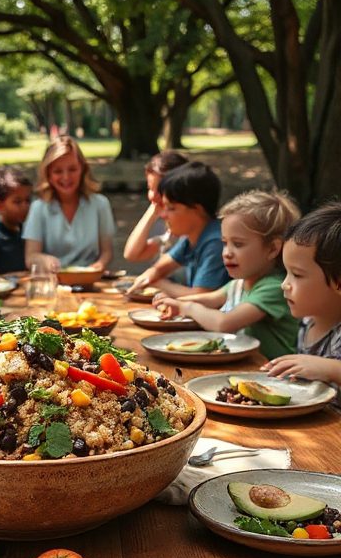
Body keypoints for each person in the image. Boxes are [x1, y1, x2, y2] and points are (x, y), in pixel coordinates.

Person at [156, 190, 301, 359]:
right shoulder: (240, 283)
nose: (227, 253)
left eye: (238, 244)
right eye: (225, 243)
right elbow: (210, 299)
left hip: (272, 379)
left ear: (272, 249)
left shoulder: (274, 288)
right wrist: (173, 302)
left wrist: (185, 307)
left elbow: (224, 323)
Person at [263, 203, 341, 403]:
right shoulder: (308, 322)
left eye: (296, 275)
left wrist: (330, 369)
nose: (284, 284)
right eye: (286, 272)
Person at [127, 161, 226, 297]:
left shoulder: (215, 242)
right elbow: (161, 267)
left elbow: (201, 296)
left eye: (171, 208)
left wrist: (159, 283)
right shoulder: (191, 237)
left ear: (197, 209)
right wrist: (152, 274)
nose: (163, 214)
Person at [23, 135, 115, 273]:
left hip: (89, 279)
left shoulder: (100, 204)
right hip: (53, 282)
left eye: (72, 169)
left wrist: (99, 266)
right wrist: (43, 260)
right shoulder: (38, 208)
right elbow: (30, 257)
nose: (66, 177)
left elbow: (107, 252)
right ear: (48, 174)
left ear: (83, 169)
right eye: (58, 171)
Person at [123, 150, 188, 264]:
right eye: (149, 188)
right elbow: (131, 254)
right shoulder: (165, 227)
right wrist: (152, 210)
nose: (152, 196)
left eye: (159, 190)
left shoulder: (192, 231)